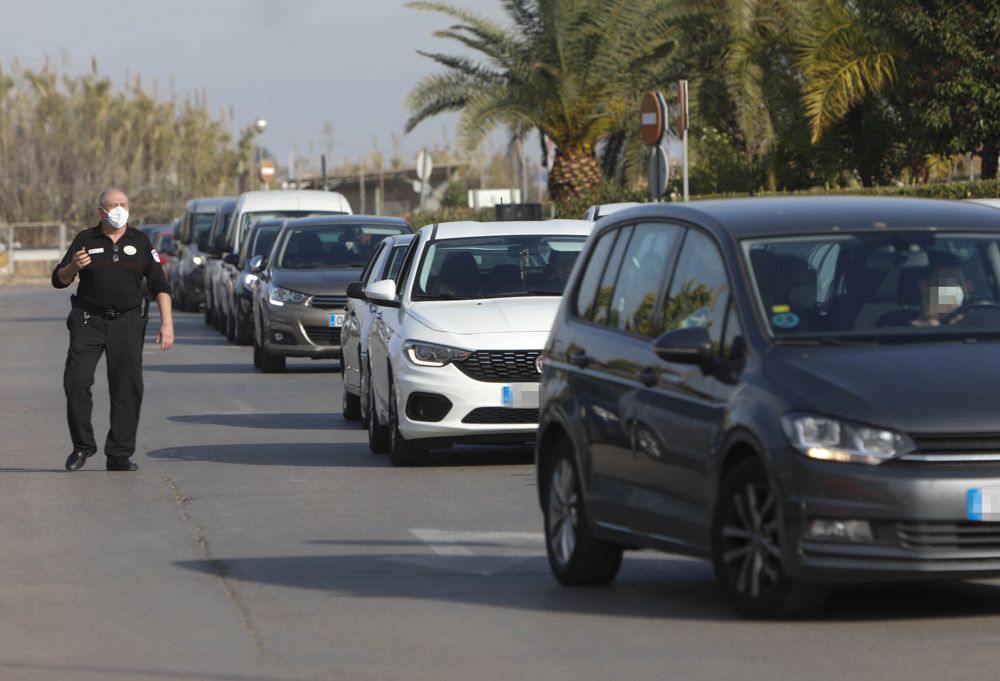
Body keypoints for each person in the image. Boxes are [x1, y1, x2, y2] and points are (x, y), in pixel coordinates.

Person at [52, 188, 174, 472]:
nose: (120, 209)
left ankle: (119, 454)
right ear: (101, 211)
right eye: (114, 205)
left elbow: (160, 285)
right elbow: (59, 279)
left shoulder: (141, 242)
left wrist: (167, 322)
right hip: (88, 320)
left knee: (127, 387)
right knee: (76, 381)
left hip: (128, 322)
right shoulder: (85, 239)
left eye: (124, 204)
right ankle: (82, 446)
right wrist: (72, 266)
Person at [877, 253, 972, 328]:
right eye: (951, 282)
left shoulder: (972, 325)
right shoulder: (891, 326)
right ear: (924, 286)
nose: (960, 289)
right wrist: (930, 324)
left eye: (960, 282)